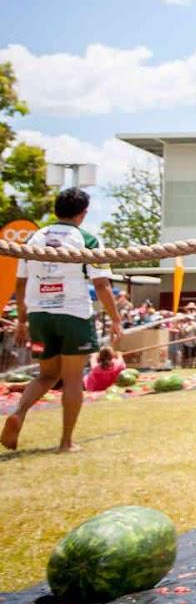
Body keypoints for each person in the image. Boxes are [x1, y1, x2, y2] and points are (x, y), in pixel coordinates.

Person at [3, 188, 125, 452]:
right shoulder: (88, 240)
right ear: (83, 214)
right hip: (73, 315)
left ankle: (19, 413)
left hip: (39, 315)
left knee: (46, 375)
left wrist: (22, 320)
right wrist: (115, 319)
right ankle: (66, 442)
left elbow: (20, 284)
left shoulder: (33, 238)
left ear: (56, 209)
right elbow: (102, 284)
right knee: (71, 378)